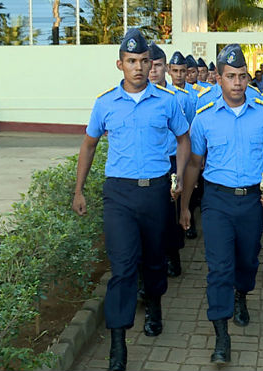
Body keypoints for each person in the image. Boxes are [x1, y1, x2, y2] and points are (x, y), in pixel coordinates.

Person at [72, 28, 190, 371]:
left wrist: (179, 176)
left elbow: (184, 139)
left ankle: (154, 306)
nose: (138, 67)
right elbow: (89, 145)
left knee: (154, 259)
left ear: (152, 64)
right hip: (119, 194)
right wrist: (78, 190)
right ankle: (118, 343)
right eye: (131, 61)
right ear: (120, 64)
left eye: (143, 61)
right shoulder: (105, 103)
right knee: (123, 268)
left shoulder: (166, 102)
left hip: (155, 191)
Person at [179, 44, 263, 366]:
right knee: (219, 267)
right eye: (230, 76)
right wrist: (184, 205)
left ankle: (241, 295)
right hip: (217, 200)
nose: (237, 82)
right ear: (218, 78)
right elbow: (194, 163)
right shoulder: (204, 118)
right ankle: (221, 334)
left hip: (251, 200)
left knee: (247, 260)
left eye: (242, 76)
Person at [148, 43, 196, 277]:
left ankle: (173, 257)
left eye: (158, 66)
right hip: (153, 162)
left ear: (164, 67)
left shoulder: (181, 98)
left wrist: (190, 164)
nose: (153, 71)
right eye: (151, 65)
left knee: (172, 210)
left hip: (175, 160)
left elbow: (190, 132)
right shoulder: (142, 97)